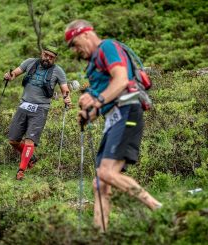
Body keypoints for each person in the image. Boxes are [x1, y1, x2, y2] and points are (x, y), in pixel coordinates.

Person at [64, 20, 162, 231]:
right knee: (99, 183)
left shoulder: (106, 47)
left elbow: (121, 80)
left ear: (86, 34)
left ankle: (157, 208)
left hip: (127, 110)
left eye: (74, 43)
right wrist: (88, 113)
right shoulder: (92, 66)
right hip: (113, 117)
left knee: (107, 174)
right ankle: (100, 234)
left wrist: (97, 100)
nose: (75, 50)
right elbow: (105, 97)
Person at [4, 46, 71, 180]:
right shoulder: (29, 62)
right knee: (13, 140)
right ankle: (31, 158)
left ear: (54, 59)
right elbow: (15, 73)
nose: (48, 58)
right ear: (42, 53)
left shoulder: (58, 71)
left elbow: (65, 89)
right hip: (24, 105)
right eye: (46, 55)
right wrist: (9, 76)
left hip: (40, 109)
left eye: (51, 57)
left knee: (30, 141)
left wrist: (67, 97)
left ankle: (21, 171)